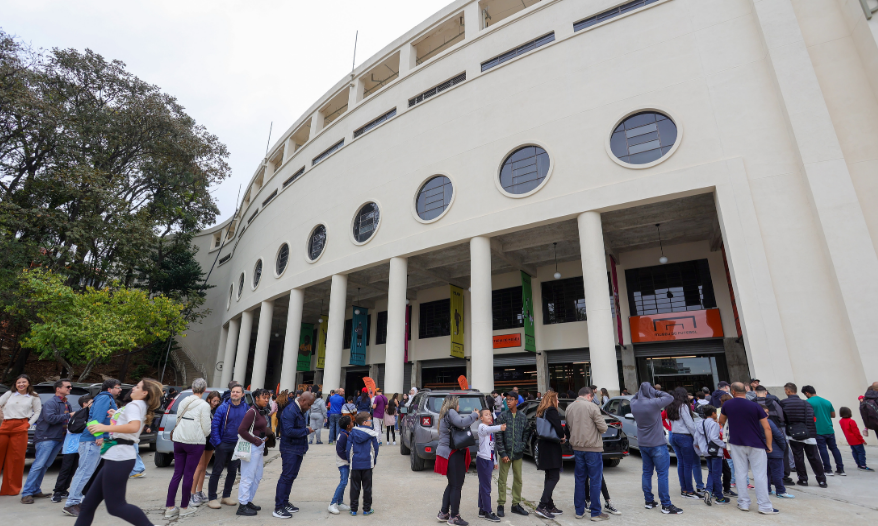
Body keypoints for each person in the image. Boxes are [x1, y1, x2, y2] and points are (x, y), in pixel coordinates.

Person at [73, 378, 162, 526]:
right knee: (88, 504)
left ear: (145, 392)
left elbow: (133, 427)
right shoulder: (140, 405)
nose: (133, 388)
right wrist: (117, 414)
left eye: (137, 386)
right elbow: (130, 422)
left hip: (119, 457)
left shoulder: (134, 405)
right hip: (116, 456)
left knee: (116, 506)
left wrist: (103, 428)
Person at [64, 378, 120, 517]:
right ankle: (71, 503)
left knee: (86, 472)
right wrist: (98, 436)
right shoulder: (104, 398)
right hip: (92, 441)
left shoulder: (106, 398)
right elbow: (96, 418)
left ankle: (76, 501)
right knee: (84, 472)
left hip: (95, 441)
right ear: (109, 389)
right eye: (118, 387)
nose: (120, 390)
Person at [719, 382, 778, 514]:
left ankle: (743, 503)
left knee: (740, 473)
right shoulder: (755, 406)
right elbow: (767, 427)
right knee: (760, 474)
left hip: (736, 443)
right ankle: (765, 506)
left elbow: (721, 421)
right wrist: (768, 445)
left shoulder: (728, 404)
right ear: (745, 391)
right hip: (756, 443)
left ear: (733, 391)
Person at [630, 383, 681, 514]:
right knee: (662, 474)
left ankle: (648, 501)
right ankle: (666, 505)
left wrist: (641, 391)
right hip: (657, 443)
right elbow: (669, 397)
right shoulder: (654, 403)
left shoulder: (634, 403)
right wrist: (655, 392)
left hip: (643, 443)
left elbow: (636, 397)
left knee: (647, 472)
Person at [164, 378, 211, 518]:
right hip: (195, 441)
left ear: (192, 388)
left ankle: (170, 507)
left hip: (178, 439)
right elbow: (207, 428)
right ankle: (184, 506)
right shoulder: (204, 405)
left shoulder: (183, 401)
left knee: (177, 474)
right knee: (189, 474)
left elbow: (179, 417)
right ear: (204, 389)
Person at [22, 378, 71, 503]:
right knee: (38, 465)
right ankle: (26, 493)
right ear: (58, 389)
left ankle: (36, 490)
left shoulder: (67, 404)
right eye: (67, 387)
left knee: (45, 466)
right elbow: (50, 418)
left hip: (58, 438)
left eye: (70, 387)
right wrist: (69, 415)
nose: (70, 388)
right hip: (46, 438)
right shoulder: (51, 403)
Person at [565, 386, 609, 521]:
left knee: (579, 479)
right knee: (595, 480)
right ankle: (596, 513)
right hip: (592, 448)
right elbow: (603, 428)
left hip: (577, 448)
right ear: (589, 396)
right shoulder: (592, 407)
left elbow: (569, 427)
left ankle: (579, 511)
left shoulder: (569, 408)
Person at [435, 396, 479, 525]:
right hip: (453, 454)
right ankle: (454, 516)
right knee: (456, 485)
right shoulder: (451, 412)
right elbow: (461, 423)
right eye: (458, 403)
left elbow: (460, 423)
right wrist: (474, 414)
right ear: (453, 404)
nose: (459, 406)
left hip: (448, 454)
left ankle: (444, 513)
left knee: (452, 484)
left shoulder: (445, 414)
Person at [207, 384, 249, 509]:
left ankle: (226, 496)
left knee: (232, 471)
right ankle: (212, 498)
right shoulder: (223, 408)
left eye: (237, 392)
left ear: (242, 395)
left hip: (238, 445)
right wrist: (218, 443)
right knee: (217, 471)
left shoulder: (246, 408)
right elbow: (214, 426)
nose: (234, 393)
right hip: (223, 444)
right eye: (233, 391)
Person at [274, 391, 315, 519]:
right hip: (289, 448)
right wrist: (306, 430)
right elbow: (288, 431)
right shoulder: (290, 410)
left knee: (291, 476)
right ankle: (279, 507)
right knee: (286, 476)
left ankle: (285, 502)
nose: (309, 407)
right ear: (302, 401)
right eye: (308, 405)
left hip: (297, 448)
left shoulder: (298, 410)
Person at [0, 374, 42, 497]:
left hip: (21, 425)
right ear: (15, 384)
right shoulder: (9, 394)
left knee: (16, 459)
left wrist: (28, 424)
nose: (21, 384)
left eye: (24, 382)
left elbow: (38, 412)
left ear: (28, 383)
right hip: (5, 425)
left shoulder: (34, 396)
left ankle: (10, 489)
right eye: (19, 382)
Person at [778, 382, 827, 487]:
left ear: (788, 391)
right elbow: (812, 418)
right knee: (814, 458)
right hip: (809, 433)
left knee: (798, 457)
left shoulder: (783, 403)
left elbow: (782, 418)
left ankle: (803, 479)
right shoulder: (806, 403)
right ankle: (822, 480)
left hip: (794, 434)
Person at [494, 392, 532, 518]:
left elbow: (527, 432)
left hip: (518, 453)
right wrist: (503, 453)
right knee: (502, 480)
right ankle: (501, 504)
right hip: (505, 454)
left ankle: (516, 504)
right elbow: (498, 435)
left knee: (518, 479)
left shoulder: (522, 417)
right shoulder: (503, 416)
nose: (508, 402)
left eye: (511, 399)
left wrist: (521, 446)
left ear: (517, 401)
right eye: (507, 399)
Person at [234, 388, 271, 517]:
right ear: (256, 398)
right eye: (264, 397)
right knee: (247, 476)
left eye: (268, 397)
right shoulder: (252, 412)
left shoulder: (261, 412)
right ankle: (242, 505)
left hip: (259, 447)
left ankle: (248, 500)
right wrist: (255, 440)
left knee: (257, 476)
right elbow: (241, 430)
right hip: (252, 447)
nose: (266, 400)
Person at [534, 392, 570, 520]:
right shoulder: (551, 411)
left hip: (544, 445)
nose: (558, 401)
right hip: (551, 447)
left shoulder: (542, 411)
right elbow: (558, 427)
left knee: (549, 476)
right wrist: (562, 437)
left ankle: (549, 505)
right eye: (557, 399)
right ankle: (542, 505)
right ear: (552, 400)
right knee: (554, 476)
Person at [53, 395, 93, 502]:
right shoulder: (78, 414)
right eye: (91, 402)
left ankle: (67, 490)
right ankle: (58, 491)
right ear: (85, 404)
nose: (93, 404)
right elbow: (73, 428)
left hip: (82, 446)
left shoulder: (91, 414)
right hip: (71, 446)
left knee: (75, 470)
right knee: (66, 469)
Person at [667, 387, 704, 499]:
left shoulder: (670, 406)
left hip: (674, 435)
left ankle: (684, 489)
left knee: (681, 464)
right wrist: (697, 438)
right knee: (688, 464)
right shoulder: (683, 406)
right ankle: (689, 491)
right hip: (684, 436)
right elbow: (690, 424)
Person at [802, 385, 845, 476]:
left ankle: (828, 469)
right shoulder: (827, 401)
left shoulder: (807, 403)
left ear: (807, 393)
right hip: (829, 429)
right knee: (834, 448)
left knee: (822, 449)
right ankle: (841, 469)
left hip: (818, 430)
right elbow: (833, 415)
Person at [693, 404, 729, 506]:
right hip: (715, 452)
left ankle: (708, 491)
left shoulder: (700, 424)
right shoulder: (714, 424)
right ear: (713, 413)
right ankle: (719, 497)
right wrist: (724, 445)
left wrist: (701, 449)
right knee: (717, 474)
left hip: (706, 451)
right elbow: (714, 437)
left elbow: (695, 441)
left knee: (712, 473)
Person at [190, 391, 222, 506]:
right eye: (214, 401)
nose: (216, 403)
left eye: (218, 401)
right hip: (201, 439)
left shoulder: (217, 410)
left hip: (211, 440)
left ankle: (199, 491)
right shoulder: (203, 408)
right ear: (209, 399)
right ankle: (192, 493)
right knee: (199, 466)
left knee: (204, 467)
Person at [347, 412, 380, 516]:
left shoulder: (353, 432)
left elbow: (348, 449)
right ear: (365, 422)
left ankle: (353, 509)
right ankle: (366, 509)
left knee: (354, 487)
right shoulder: (372, 434)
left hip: (355, 463)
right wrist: (374, 461)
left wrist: (350, 461)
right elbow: (375, 448)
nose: (371, 422)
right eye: (370, 420)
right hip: (367, 464)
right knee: (367, 488)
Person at [476, 408, 505, 522]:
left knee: (483, 485)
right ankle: (488, 511)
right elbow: (488, 429)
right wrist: (500, 427)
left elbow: (492, 447)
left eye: (490, 415)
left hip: (489, 460)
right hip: (483, 460)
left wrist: (495, 461)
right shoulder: (482, 427)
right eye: (486, 415)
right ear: (481, 418)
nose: (489, 416)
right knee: (486, 487)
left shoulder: (490, 429)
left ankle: (482, 509)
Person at [761, 405, 793, 499]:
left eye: (768, 412)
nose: (767, 414)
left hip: (763, 452)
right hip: (775, 451)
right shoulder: (768, 422)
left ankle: (767, 489)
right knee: (777, 473)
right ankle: (781, 491)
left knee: (766, 473)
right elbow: (779, 436)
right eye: (765, 412)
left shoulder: (755, 423)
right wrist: (783, 448)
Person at [328, 415, 354, 514]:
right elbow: (340, 451)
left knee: (344, 481)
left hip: (345, 461)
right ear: (348, 425)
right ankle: (332, 503)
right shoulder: (343, 435)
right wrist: (348, 459)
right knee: (343, 482)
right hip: (342, 462)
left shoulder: (347, 433)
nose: (353, 423)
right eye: (351, 422)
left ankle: (340, 503)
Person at [838, 406, 871, 471]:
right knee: (861, 452)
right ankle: (863, 465)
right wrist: (862, 440)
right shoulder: (851, 421)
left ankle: (859, 464)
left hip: (849, 440)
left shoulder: (841, 421)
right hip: (856, 440)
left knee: (854, 452)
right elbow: (856, 432)